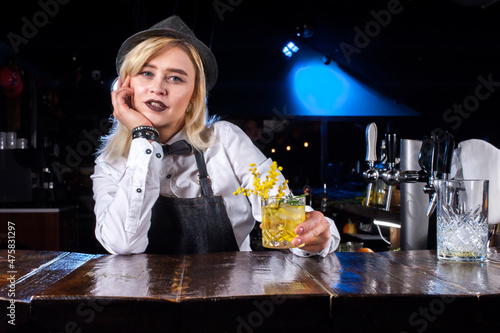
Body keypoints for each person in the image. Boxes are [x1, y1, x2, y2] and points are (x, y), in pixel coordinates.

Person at [91, 15, 340, 256]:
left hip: (228, 297)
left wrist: (311, 235)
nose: (158, 88)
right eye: (146, 73)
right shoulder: (110, 162)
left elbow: (286, 219)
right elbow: (122, 244)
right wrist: (144, 137)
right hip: (145, 298)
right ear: (125, 85)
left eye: (175, 78)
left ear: (193, 97)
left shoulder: (227, 142)